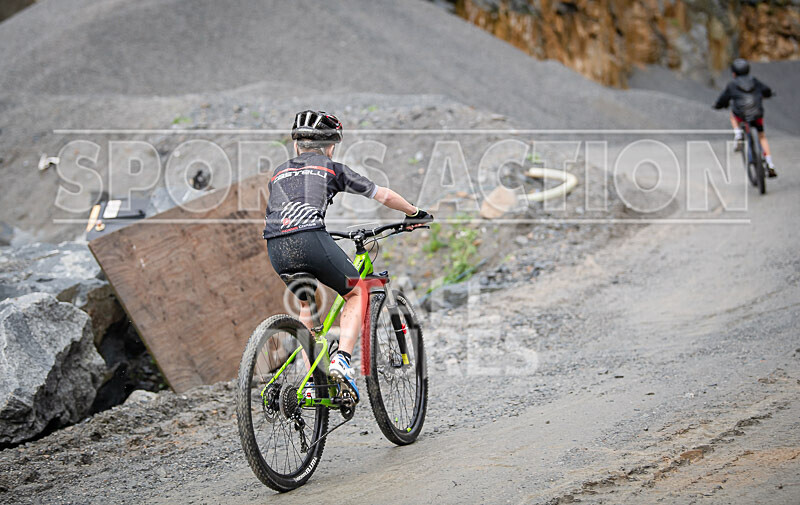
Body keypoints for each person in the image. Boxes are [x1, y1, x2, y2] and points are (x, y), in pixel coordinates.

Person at [263, 110, 433, 403]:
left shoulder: (278, 172)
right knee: (356, 292)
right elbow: (384, 196)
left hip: (276, 246)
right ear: (330, 147)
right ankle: (342, 360)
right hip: (310, 238)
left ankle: (311, 383)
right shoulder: (332, 168)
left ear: (295, 146)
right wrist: (414, 214)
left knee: (307, 305)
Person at [713, 58, 776, 177]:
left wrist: (718, 105)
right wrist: (768, 94)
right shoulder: (754, 81)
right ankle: (770, 163)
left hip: (741, 115)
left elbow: (723, 98)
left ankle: (738, 134)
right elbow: (766, 90)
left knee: (733, 115)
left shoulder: (732, 84)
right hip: (757, 113)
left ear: (734, 73)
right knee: (761, 136)